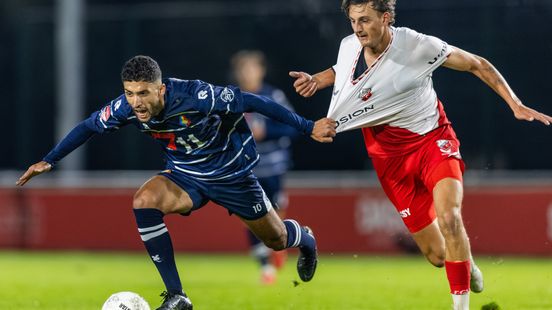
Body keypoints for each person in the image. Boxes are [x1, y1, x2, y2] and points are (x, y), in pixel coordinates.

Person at [16, 55, 337, 310]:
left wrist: (308, 126)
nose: (136, 102)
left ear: (161, 89)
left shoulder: (195, 95)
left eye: (143, 93)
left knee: (277, 240)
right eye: (130, 93)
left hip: (231, 176)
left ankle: (305, 239)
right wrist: (50, 160)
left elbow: (253, 101)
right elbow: (88, 126)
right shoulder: (126, 108)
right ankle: (176, 295)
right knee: (144, 201)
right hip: (185, 176)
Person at [289, 1, 552, 309]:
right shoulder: (350, 46)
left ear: (385, 18)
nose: (358, 28)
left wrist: (515, 103)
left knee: (450, 217)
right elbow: (343, 71)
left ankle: (461, 306)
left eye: (365, 20)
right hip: (390, 161)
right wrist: (318, 80)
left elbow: (476, 63)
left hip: (432, 141)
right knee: (438, 256)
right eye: (353, 21)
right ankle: (466, 262)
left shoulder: (416, 46)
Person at [230, 50, 298, 284]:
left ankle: (278, 246)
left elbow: (291, 126)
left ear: (261, 70)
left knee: (275, 216)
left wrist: (265, 132)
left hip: (274, 168)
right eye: (242, 69)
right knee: (251, 217)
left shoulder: (273, 96)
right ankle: (265, 267)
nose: (247, 73)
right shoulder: (230, 98)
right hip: (245, 170)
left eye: (251, 68)